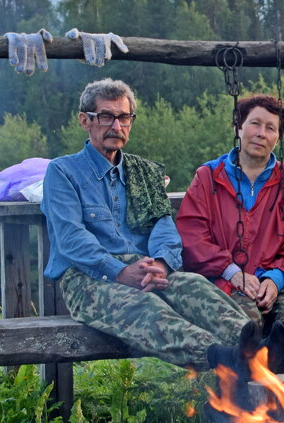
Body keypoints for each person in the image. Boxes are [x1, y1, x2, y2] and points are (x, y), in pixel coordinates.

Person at [40, 78, 251, 374]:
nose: (116, 126)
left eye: (124, 117)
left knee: (195, 286)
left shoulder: (144, 171)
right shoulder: (63, 172)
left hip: (145, 270)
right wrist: (119, 271)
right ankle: (219, 357)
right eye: (106, 116)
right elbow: (71, 238)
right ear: (84, 121)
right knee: (145, 307)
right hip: (88, 277)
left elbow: (163, 227)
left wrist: (162, 265)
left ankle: (255, 346)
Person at [177, 94, 284, 394]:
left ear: (278, 137)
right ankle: (243, 413)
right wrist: (231, 271)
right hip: (227, 278)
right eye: (254, 123)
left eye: (271, 128)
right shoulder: (209, 177)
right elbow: (191, 236)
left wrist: (276, 279)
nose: (261, 133)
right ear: (239, 127)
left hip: (277, 277)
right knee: (246, 326)